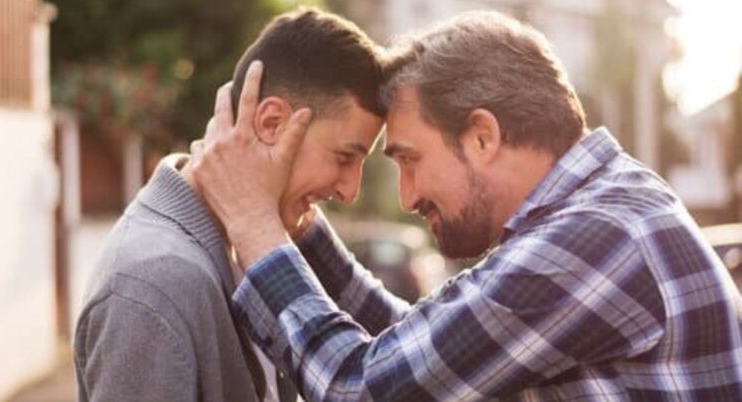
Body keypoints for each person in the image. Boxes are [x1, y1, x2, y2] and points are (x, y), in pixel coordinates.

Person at [191, 10, 742, 401]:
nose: (406, 196)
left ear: (482, 137)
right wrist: (299, 224)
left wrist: (254, 222)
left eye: (409, 159)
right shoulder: (594, 210)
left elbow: (359, 388)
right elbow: (421, 353)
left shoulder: (595, 240)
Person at [73, 8, 385, 402]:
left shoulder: (249, 248)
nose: (350, 190)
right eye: (344, 157)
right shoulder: (151, 288)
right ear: (271, 124)